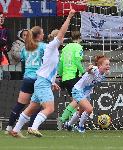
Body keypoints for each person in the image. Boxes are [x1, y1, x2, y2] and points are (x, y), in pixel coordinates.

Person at [9, 9, 76, 138]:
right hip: (42, 82)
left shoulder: (52, 49)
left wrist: (52, 83)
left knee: (31, 108)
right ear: (58, 38)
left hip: (41, 81)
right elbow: (61, 33)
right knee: (49, 108)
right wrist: (69, 17)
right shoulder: (51, 47)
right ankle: (33, 127)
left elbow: (48, 69)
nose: (63, 40)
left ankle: (16, 130)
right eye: (62, 38)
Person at [4, 26, 45, 136]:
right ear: (38, 35)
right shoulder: (42, 46)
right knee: (37, 105)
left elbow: (22, 59)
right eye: (42, 33)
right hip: (37, 79)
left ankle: (9, 127)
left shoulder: (25, 48)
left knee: (20, 104)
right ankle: (31, 127)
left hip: (27, 78)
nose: (43, 35)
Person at [64, 56, 110, 133]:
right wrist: (90, 68)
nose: (108, 66)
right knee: (89, 109)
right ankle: (80, 127)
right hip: (78, 90)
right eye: (106, 64)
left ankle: (69, 124)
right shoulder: (95, 69)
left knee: (81, 111)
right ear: (100, 66)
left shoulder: (104, 74)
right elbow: (89, 70)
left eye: (109, 64)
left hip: (86, 93)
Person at [57, 31, 85, 129]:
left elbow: (60, 63)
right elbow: (77, 61)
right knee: (77, 100)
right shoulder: (78, 47)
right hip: (73, 77)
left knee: (73, 101)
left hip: (65, 77)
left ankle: (69, 123)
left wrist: (60, 75)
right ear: (80, 38)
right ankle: (63, 118)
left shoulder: (65, 48)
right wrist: (84, 71)